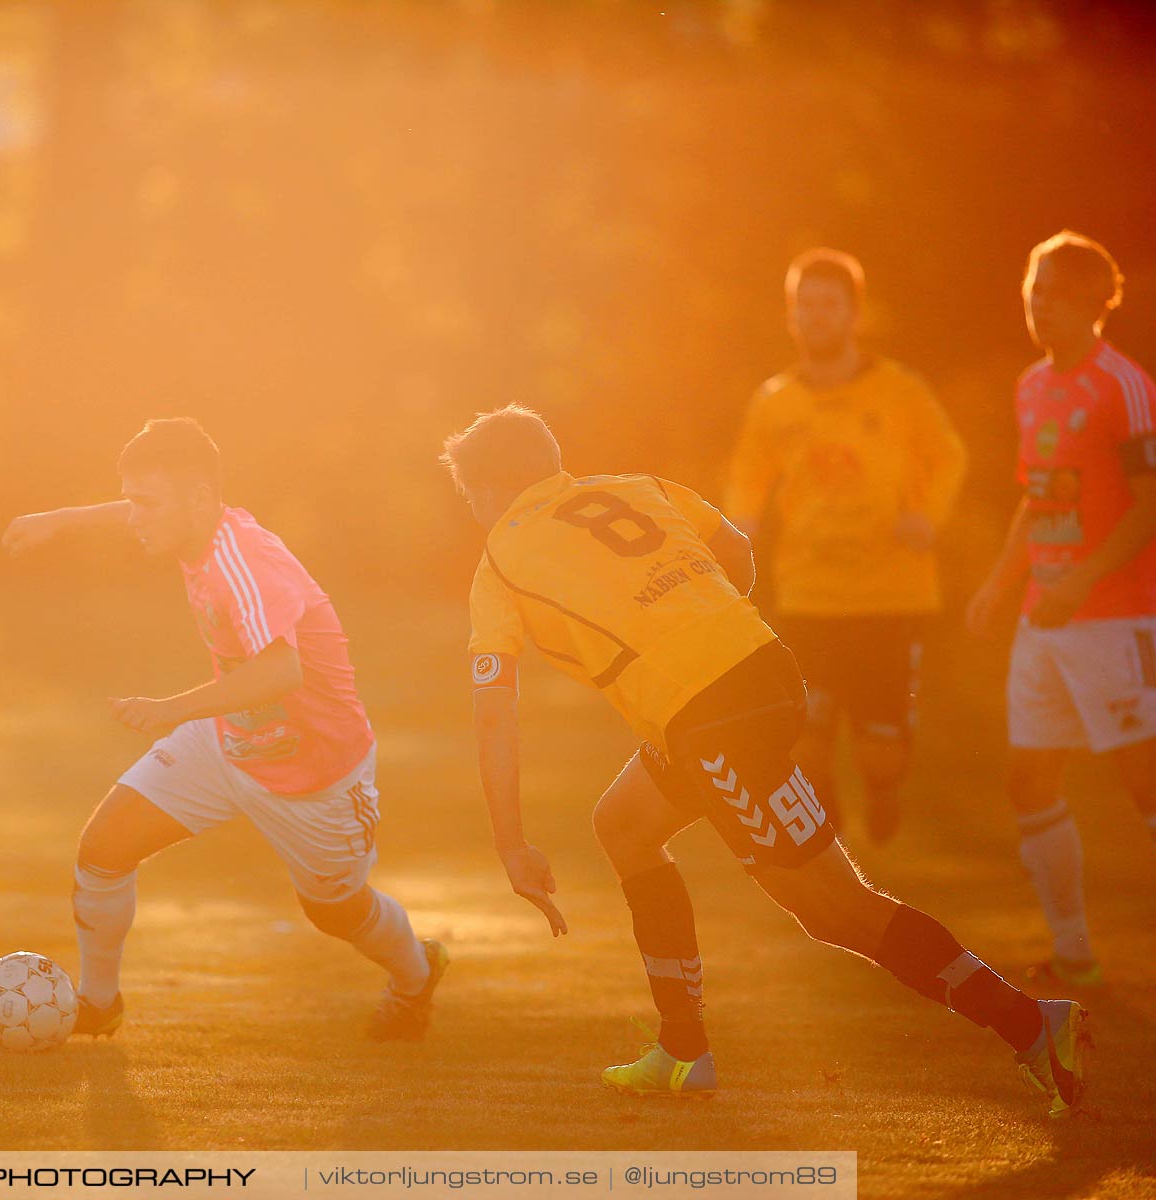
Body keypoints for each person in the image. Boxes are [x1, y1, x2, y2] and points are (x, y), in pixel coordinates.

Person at [444, 403, 1085, 1116]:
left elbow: (493, 709)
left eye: (471, 496)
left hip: (715, 716)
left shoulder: (500, 556)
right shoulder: (635, 486)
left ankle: (1033, 1026)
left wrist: (509, 842)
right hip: (761, 674)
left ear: (494, 489)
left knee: (835, 910)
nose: (475, 512)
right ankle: (683, 1051)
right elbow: (737, 550)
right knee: (624, 823)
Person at [2, 417, 447, 1040]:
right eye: (131, 500)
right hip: (229, 740)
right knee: (104, 848)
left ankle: (416, 973)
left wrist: (169, 710)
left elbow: (282, 671)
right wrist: (63, 519)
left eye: (146, 503)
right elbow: (140, 507)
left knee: (336, 911)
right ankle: (99, 1003)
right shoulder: (196, 529)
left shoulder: (244, 561)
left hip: (316, 775)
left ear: (199, 500)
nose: (135, 518)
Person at [726, 248, 968, 842]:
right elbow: (746, 481)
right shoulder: (774, 401)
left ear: (854, 314)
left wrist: (927, 518)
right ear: (791, 316)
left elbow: (949, 458)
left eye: (829, 305)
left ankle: (883, 789)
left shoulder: (898, 392)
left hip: (889, 595)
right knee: (804, 737)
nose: (816, 316)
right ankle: (825, 831)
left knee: (879, 751)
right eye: (805, 306)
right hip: (808, 592)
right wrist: (739, 533)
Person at [967, 231, 1156, 989]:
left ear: (1087, 301)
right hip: (1042, 624)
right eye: (1031, 289)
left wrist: (1082, 581)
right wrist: (1000, 581)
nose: (1035, 303)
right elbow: (1035, 497)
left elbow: (1148, 508)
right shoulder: (1031, 386)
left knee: (1143, 783)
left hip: (1112, 619)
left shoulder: (1124, 384)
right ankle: (1074, 948)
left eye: (1050, 292)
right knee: (1028, 780)